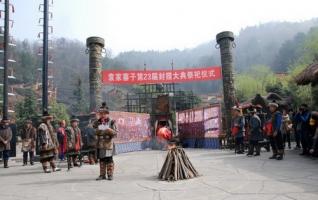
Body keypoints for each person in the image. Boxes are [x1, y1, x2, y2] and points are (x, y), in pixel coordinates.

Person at [93, 102, 117, 181]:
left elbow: (115, 133)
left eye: (104, 113)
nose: (102, 115)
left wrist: (108, 129)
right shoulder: (97, 122)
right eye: (101, 113)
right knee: (102, 159)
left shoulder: (111, 122)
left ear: (107, 114)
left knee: (109, 159)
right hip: (100, 143)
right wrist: (99, 130)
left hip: (108, 143)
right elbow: (94, 131)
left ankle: (110, 174)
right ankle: (102, 175)